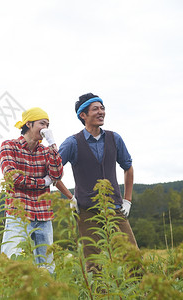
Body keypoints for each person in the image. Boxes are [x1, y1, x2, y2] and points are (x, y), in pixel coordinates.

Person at [55, 93, 138, 273]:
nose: (101, 112)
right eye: (95, 109)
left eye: (102, 108)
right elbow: (53, 172)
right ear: (83, 115)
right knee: (94, 264)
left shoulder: (114, 138)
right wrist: (70, 197)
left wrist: (127, 200)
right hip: (87, 211)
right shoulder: (72, 143)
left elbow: (128, 167)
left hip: (115, 208)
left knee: (133, 257)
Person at [0, 107, 63, 272]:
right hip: (18, 213)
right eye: (42, 123)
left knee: (47, 265)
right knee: (13, 259)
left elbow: (56, 175)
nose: (45, 128)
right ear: (28, 123)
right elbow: (13, 178)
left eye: (48, 125)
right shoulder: (9, 146)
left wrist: (53, 144)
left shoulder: (46, 151)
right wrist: (43, 182)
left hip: (43, 214)